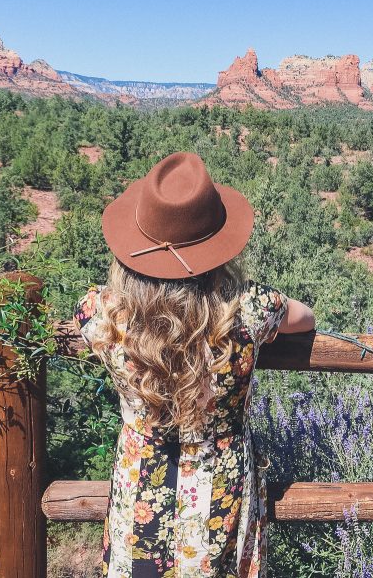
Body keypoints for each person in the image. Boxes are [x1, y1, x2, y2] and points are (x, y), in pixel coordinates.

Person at [73, 151, 315, 577]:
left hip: (139, 477)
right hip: (219, 484)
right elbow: (306, 317)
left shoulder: (101, 311)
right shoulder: (250, 309)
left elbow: (89, 315)